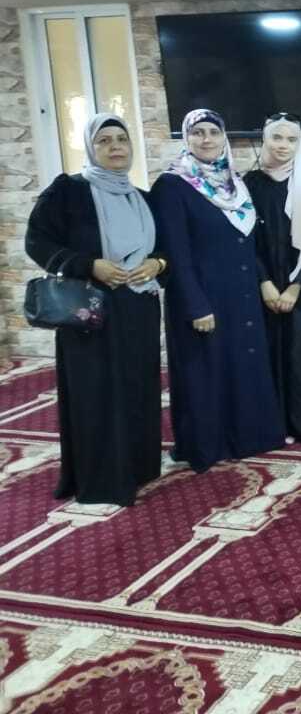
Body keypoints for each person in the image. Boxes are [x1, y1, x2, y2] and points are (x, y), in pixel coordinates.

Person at [25, 114, 165, 506]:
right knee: (96, 392)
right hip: (90, 309)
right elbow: (37, 242)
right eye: (104, 140)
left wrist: (157, 264)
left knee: (137, 387)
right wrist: (89, 265)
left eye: (121, 138)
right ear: (90, 147)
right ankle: (101, 478)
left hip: (137, 307)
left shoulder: (142, 197)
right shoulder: (68, 191)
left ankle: (137, 467)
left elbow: (164, 248)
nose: (115, 146)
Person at [150, 109, 283, 471]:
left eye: (213, 131)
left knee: (242, 364)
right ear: (186, 138)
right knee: (206, 372)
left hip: (241, 293)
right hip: (203, 296)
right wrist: (195, 305)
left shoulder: (234, 184)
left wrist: (262, 281)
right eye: (198, 133)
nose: (206, 139)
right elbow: (175, 252)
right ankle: (207, 445)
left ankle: (248, 437)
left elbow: (248, 242)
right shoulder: (172, 186)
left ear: (224, 136)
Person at [244, 114, 301, 445]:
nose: (283, 146)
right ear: (265, 139)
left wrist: (296, 286)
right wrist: (264, 282)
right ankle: (277, 423)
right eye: (277, 138)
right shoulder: (249, 184)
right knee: (270, 353)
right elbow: (244, 238)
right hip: (264, 283)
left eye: (291, 139)